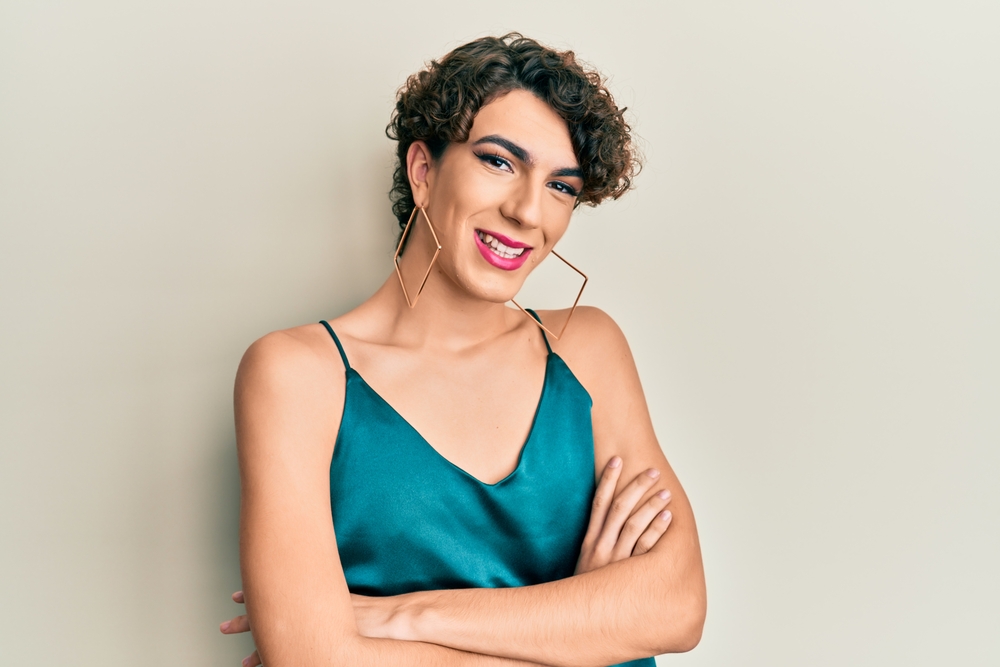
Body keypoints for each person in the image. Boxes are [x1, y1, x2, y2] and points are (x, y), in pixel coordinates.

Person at [219, 33, 706, 667]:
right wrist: (585, 629)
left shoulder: (587, 348)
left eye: (561, 187)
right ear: (423, 171)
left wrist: (402, 616)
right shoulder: (296, 374)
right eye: (499, 161)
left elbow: (677, 607)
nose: (528, 211)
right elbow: (315, 660)